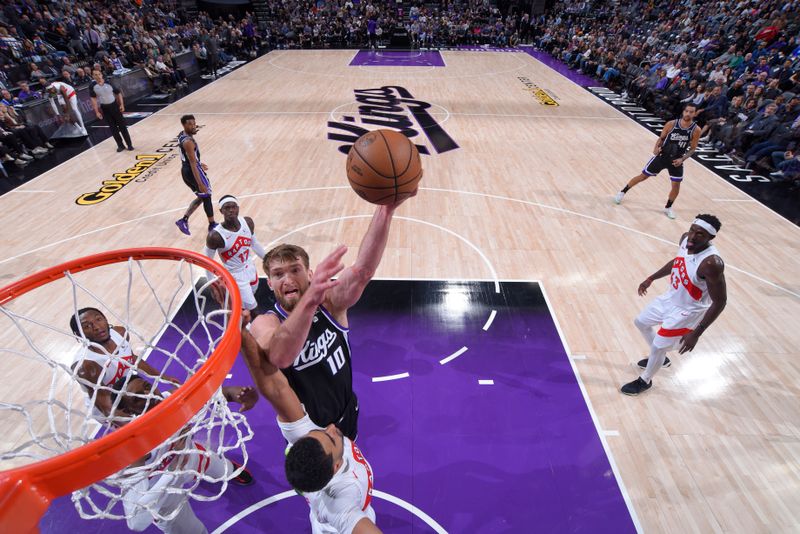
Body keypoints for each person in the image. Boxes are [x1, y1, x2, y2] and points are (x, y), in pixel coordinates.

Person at [249, 195, 415, 440]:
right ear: (271, 284)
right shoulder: (265, 322)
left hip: (345, 412)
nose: (287, 279)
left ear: (310, 274)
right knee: (318, 479)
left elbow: (362, 270)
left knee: (352, 470)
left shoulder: (329, 303)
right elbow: (280, 356)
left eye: (295, 270)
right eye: (278, 274)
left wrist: (385, 210)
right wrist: (309, 301)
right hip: (307, 432)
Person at [239, 325, 380, 533]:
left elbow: (274, 386)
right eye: (332, 438)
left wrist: (240, 332)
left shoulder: (306, 440)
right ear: (335, 468)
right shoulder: (339, 504)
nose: (332, 427)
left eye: (323, 433)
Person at [114, 375, 256, 534]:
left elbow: (211, 394)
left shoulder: (173, 399)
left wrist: (235, 394)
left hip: (191, 456)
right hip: (162, 491)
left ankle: (230, 471)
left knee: (221, 467)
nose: (149, 395)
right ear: (128, 411)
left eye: (147, 386)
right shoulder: (133, 447)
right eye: (137, 399)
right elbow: (136, 523)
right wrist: (172, 472)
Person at [621, 214, 727, 395]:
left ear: (711, 238)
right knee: (641, 322)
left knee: (658, 346)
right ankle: (660, 359)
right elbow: (678, 262)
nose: (693, 236)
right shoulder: (686, 239)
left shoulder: (711, 264)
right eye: (693, 230)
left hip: (688, 311)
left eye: (700, 234)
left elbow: (720, 302)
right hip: (670, 298)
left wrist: (697, 333)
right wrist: (651, 278)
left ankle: (645, 380)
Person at [70, 307, 182, 422]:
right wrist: (134, 427)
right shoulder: (86, 366)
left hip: (131, 394)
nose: (97, 327)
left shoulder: (120, 333)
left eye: (99, 319)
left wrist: (162, 377)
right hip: (109, 408)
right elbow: (106, 407)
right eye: (87, 326)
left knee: (173, 407)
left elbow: (131, 358)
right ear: (79, 334)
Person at [613, 103, 701, 219]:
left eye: (691, 112)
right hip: (662, 156)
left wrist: (682, 159)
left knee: (676, 185)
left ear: (694, 114)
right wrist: (656, 147)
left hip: (676, 160)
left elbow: (693, 148)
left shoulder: (696, 130)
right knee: (643, 176)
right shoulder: (671, 124)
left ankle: (668, 207)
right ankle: (622, 192)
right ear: (683, 111)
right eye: (687, 111)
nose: (688, 114)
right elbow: (661, 138)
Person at [204, 195, 267, 314]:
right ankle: (251, 328)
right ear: (221, 211)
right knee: (254, 309)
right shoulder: (215, 236)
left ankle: (241, 314)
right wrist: (212, 283)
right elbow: (207, 261)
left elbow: (254, 244)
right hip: (235, 275)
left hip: (250, 267)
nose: (231, 210)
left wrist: (268, 259)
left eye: (233, 207)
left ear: (238, 208)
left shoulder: (247, 222)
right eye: (227, 208)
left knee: (249, 299)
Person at [174, 114, 216, 236]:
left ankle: (183, 220)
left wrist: (198, 162)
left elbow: (189, 158)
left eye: (194, 123)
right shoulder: (188, 141)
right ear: (184, 125)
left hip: (185, 170)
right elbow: (192, 163)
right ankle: (212, 225)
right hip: (192, 171)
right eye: (190, 124)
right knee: (207, 195)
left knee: (202, 197)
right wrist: (200, 182)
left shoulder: (182, 135)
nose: (193, 126)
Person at [89, 69, 134, 152]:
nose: (98, 76)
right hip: (105, 108)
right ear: (93, 76)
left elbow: (118, 93)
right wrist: (97, 111)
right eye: (95, 75)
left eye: (99, 74)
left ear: (101, 74)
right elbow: (94, 99)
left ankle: (129, 144)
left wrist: (122, 104)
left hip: (114, 106)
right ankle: (120, 146)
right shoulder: (92, 86)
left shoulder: (109, 82)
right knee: (113, 128)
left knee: (122, 126)